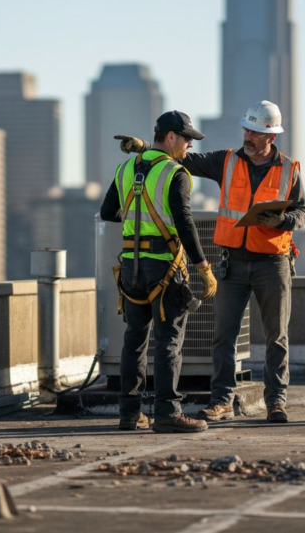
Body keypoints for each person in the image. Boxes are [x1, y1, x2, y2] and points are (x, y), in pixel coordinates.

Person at [117, 100, 305, 423]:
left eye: (255, 132)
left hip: (273, 262)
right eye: (246, 129)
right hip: (232, 262)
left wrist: (284, 221)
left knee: (276, 335)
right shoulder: (226, 161)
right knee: (224, 335)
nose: (247, 136)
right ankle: (221, 400)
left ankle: (276, 401)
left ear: (270, 137)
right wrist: (147, 147)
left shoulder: (290, 169)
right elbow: (181, 157)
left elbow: (302, 212)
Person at [100, 110, 218, 433]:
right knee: (168, 341)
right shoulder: (174, 173)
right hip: (164, 268)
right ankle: (167, 412)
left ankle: (129, 413)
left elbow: (107, 211)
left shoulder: (126, 168)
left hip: (130, 269)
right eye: (188, 139)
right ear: (171, 138)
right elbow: (184, 221)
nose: (190, 146)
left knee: (134, 340)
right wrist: (204, 268)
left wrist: (135, 210)